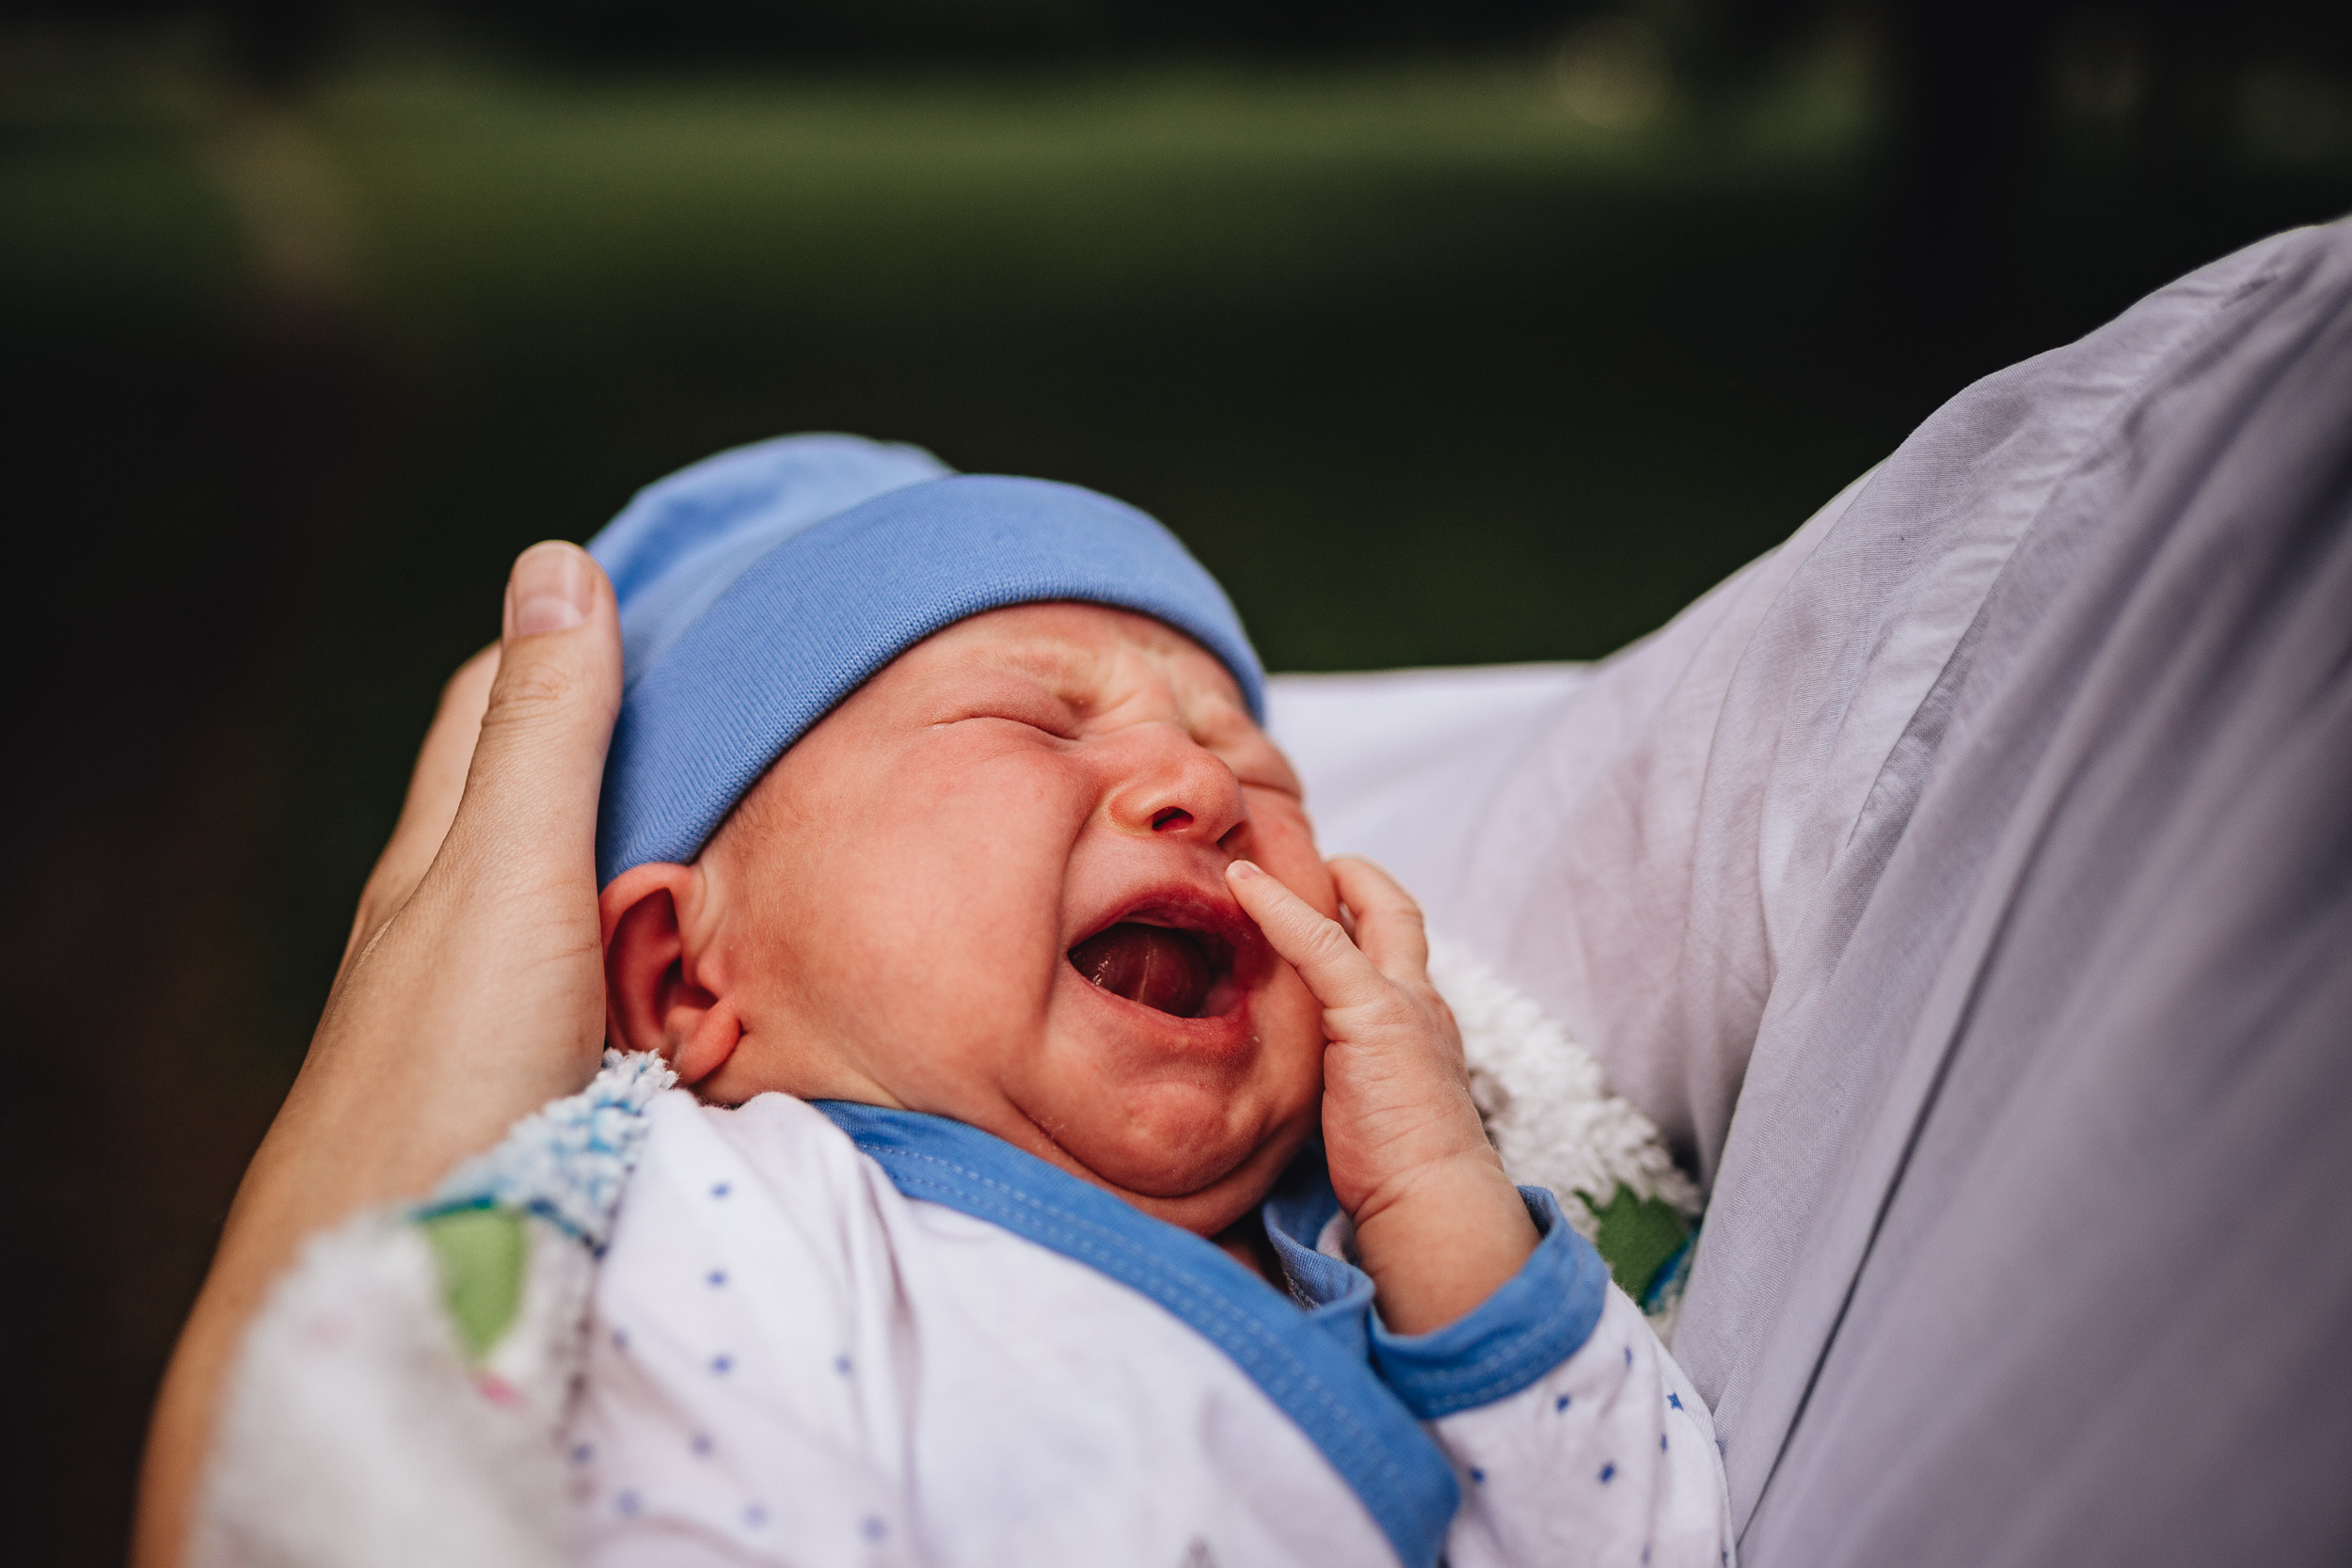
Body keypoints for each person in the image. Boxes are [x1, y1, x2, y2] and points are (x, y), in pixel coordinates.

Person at [139, 439, 1730, 1568]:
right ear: (686, 982)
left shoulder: (1383, 1281)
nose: (1196, 783)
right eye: (1042, 723)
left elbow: (1660, 1540)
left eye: (1258, 764)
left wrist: (1441, 1199)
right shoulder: (723, 1217)